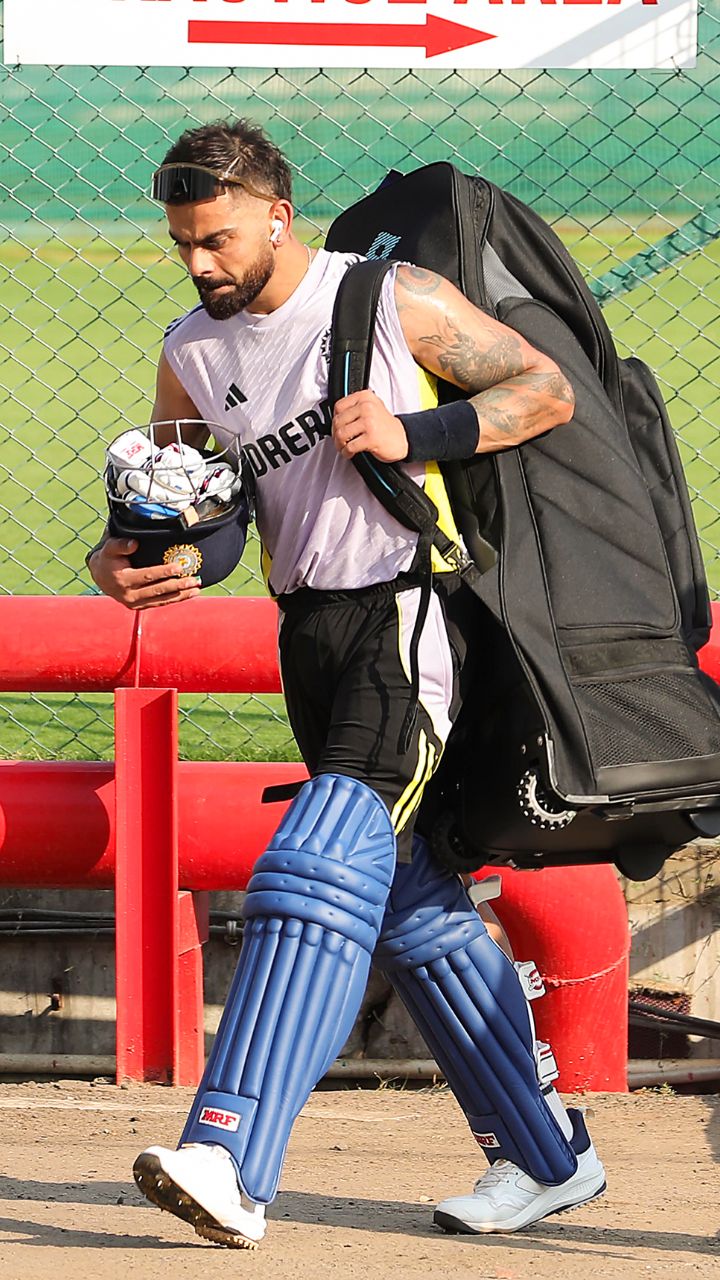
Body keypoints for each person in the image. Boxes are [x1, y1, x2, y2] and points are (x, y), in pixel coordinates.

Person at [88, 119, 606, 1250]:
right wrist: (145, 560)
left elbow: (546, 389)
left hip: (409, 619)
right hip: (309, 639)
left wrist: (417, 428)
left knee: (313, 863)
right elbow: (212, 517)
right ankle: (548, 1157)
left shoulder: (384, 297)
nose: (199, 263)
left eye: (218, 240)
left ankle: (230, 1155)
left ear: (277, 216)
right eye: (182, 244)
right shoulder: (192, 349)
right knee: (412, 904)